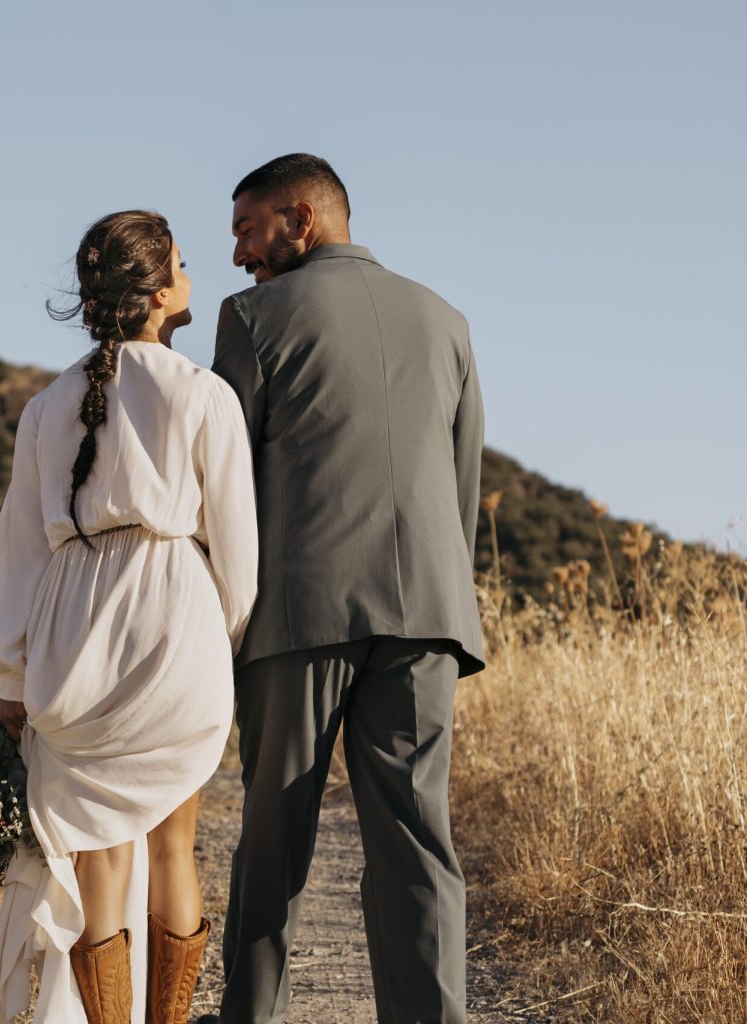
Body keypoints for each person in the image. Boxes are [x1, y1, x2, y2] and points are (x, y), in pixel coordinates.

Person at [202, 154, 485, 1024]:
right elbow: (461, 479)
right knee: (417, 844)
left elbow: (226, 481)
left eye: (248, 231)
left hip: (299, 614)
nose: (240, 255)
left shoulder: (250, 317)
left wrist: (218, 618)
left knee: (274, 837)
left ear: (301, 219)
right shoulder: (447, 319)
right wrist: (443, 593)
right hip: (430, 612)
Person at [0, 210, 258, 1024]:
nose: (194, 278)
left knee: (97, 859)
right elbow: (238, 547)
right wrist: (220, 642)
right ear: (161, 292)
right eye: (186, 266)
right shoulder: (203, 393)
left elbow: (20, 549)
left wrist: (11, 673)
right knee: (174, 845)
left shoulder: (45, 406)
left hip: (73, 631)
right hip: (175, 618)